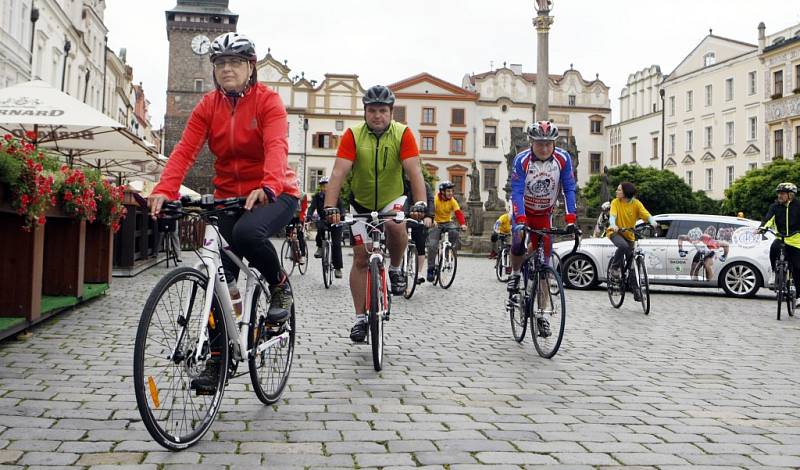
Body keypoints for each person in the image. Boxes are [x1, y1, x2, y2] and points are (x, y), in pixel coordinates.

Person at [147, 32, 300, 394]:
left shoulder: (268, 102)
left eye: (234, 62)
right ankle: (218, 357)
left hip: (275, 192)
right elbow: (184, 150)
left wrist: (269, 185)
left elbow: (277, 145)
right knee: (219, 274)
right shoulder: (208, 106)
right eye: (220, 64)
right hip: (229, 196)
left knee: (248, 235)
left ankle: (279, 287)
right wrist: (164, 190)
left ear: (250, 67)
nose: (227, 69)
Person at [323, 85, 427, 342]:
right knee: (360, 259)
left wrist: (422, 203)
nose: (377, 116)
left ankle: (394, 268)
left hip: (392, 199)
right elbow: (338, 173)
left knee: (394, 225)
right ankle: (360, 319)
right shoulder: (353, 135)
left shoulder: (403, 134)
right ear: (365, 112)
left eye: (382, 111)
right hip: (360, 203)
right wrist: (329, 206)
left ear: (391, 112)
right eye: (372, 111)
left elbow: (414, 172)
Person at [508, 121, 577, 337]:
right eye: (540, 144)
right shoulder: (522, 160)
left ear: (554, 143)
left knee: (544, 263)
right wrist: (520, 218)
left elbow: (569, 188)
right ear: (531, 142)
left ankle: (542, 314)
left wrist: (571, 219)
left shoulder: (563, 159)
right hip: (524, 210)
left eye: (549, 144)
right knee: (518, 240)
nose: (545, 148)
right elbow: (516, 191)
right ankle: (516, 274)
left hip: (545, 213)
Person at [607, 182, 658, 300]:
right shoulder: (615, 202)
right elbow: (612, 216)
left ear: (625, 193)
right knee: (623, 246)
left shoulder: (636, 203)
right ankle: (615, 268)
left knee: (633, 265)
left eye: (619, 190)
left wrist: (653, 221)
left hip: (630, 234)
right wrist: (613, 225)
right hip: (616, 232)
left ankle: (636, 291)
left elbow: (645, 214)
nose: (617, 191)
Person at [758, 182, 800, 297]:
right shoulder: (775, 206)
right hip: (780, 237)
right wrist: (762, 227)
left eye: (782, 194)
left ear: (790, 195)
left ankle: (799, 296)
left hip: (795, 240)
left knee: (797, 267)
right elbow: (768, 218)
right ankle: (773, 272)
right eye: (779, 194)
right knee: (774, 249)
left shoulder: (798, 206)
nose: (779, 196)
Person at [425, 181, 467, 282]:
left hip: (448, 222)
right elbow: (431, 211)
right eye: (448, 191)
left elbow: (458, 213)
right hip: (436, 223)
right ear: (442, 192)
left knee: (455, 233)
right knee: (432, 245)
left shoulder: (452, 200)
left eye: (451, 191)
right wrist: (432, 220)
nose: (450, 193)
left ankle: (448, 251)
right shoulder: (435, 199)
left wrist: (463, 224)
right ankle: (430, 269)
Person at [308, 176, 344, 278]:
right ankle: (320, 247)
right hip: (324, 219)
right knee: (320, 227)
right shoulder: (317, 197)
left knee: (336, 244)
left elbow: (341, 208)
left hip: (336, 220)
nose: (324, 188)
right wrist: (309, 215)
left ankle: (337, 268)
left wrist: (342, 216)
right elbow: (311, 207)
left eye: (326, 185)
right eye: (323, 186)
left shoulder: (336, 196)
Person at [404, 176, 435, 285]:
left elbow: (430, 200)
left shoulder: (424, 184)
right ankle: (397, 269)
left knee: (420, 244)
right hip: (402, 216)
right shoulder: (400, 182)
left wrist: (429, 216)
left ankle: (419, 272)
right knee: (397, 241)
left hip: (419, 217)